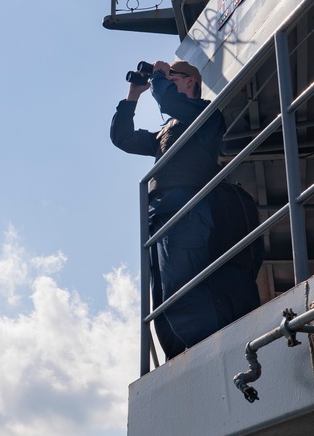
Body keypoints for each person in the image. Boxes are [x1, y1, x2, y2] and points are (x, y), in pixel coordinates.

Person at [110, 60, 259, 359]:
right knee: (164, 298)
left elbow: (167, 99)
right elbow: (122, 138)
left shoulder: (206, 115)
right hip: (158, 214)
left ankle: (209, 352)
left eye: (172, 77)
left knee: (183, 288)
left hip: (186, 208)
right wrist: (133, 94)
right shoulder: (167, 131)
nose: (164, 82)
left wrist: (158, 78)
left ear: (190, 81)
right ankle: (179, 359)